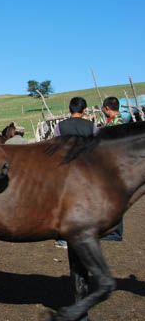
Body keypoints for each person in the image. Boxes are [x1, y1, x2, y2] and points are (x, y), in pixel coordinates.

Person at [53, 97, 97, 248]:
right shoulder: (91, 126)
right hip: (87, 170)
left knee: (66, 205)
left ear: (70, 109)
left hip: (66, 171)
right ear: (84, 110)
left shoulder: (60, 126)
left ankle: (64, 239)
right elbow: (97, 148)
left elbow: (56, 147)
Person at [100, 96, 124, 241]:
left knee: (116, 199)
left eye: (103, 108)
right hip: (111, 165)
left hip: (115, 166)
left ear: (107, 108)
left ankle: (115, 232)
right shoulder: (113, 122)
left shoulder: (117, 123)